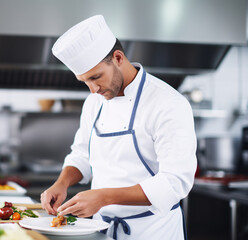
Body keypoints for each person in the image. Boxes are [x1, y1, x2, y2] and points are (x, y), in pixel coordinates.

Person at [40, 15, 197, 240]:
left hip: (153, 231)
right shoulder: (94, 102)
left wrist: (104, 197)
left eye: (96, 77)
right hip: (101, 230)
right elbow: (83, 154)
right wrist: (61, 183)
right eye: (85, 81)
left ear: (118, 57)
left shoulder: (168, 103)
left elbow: (175, 182)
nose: (93, 89)